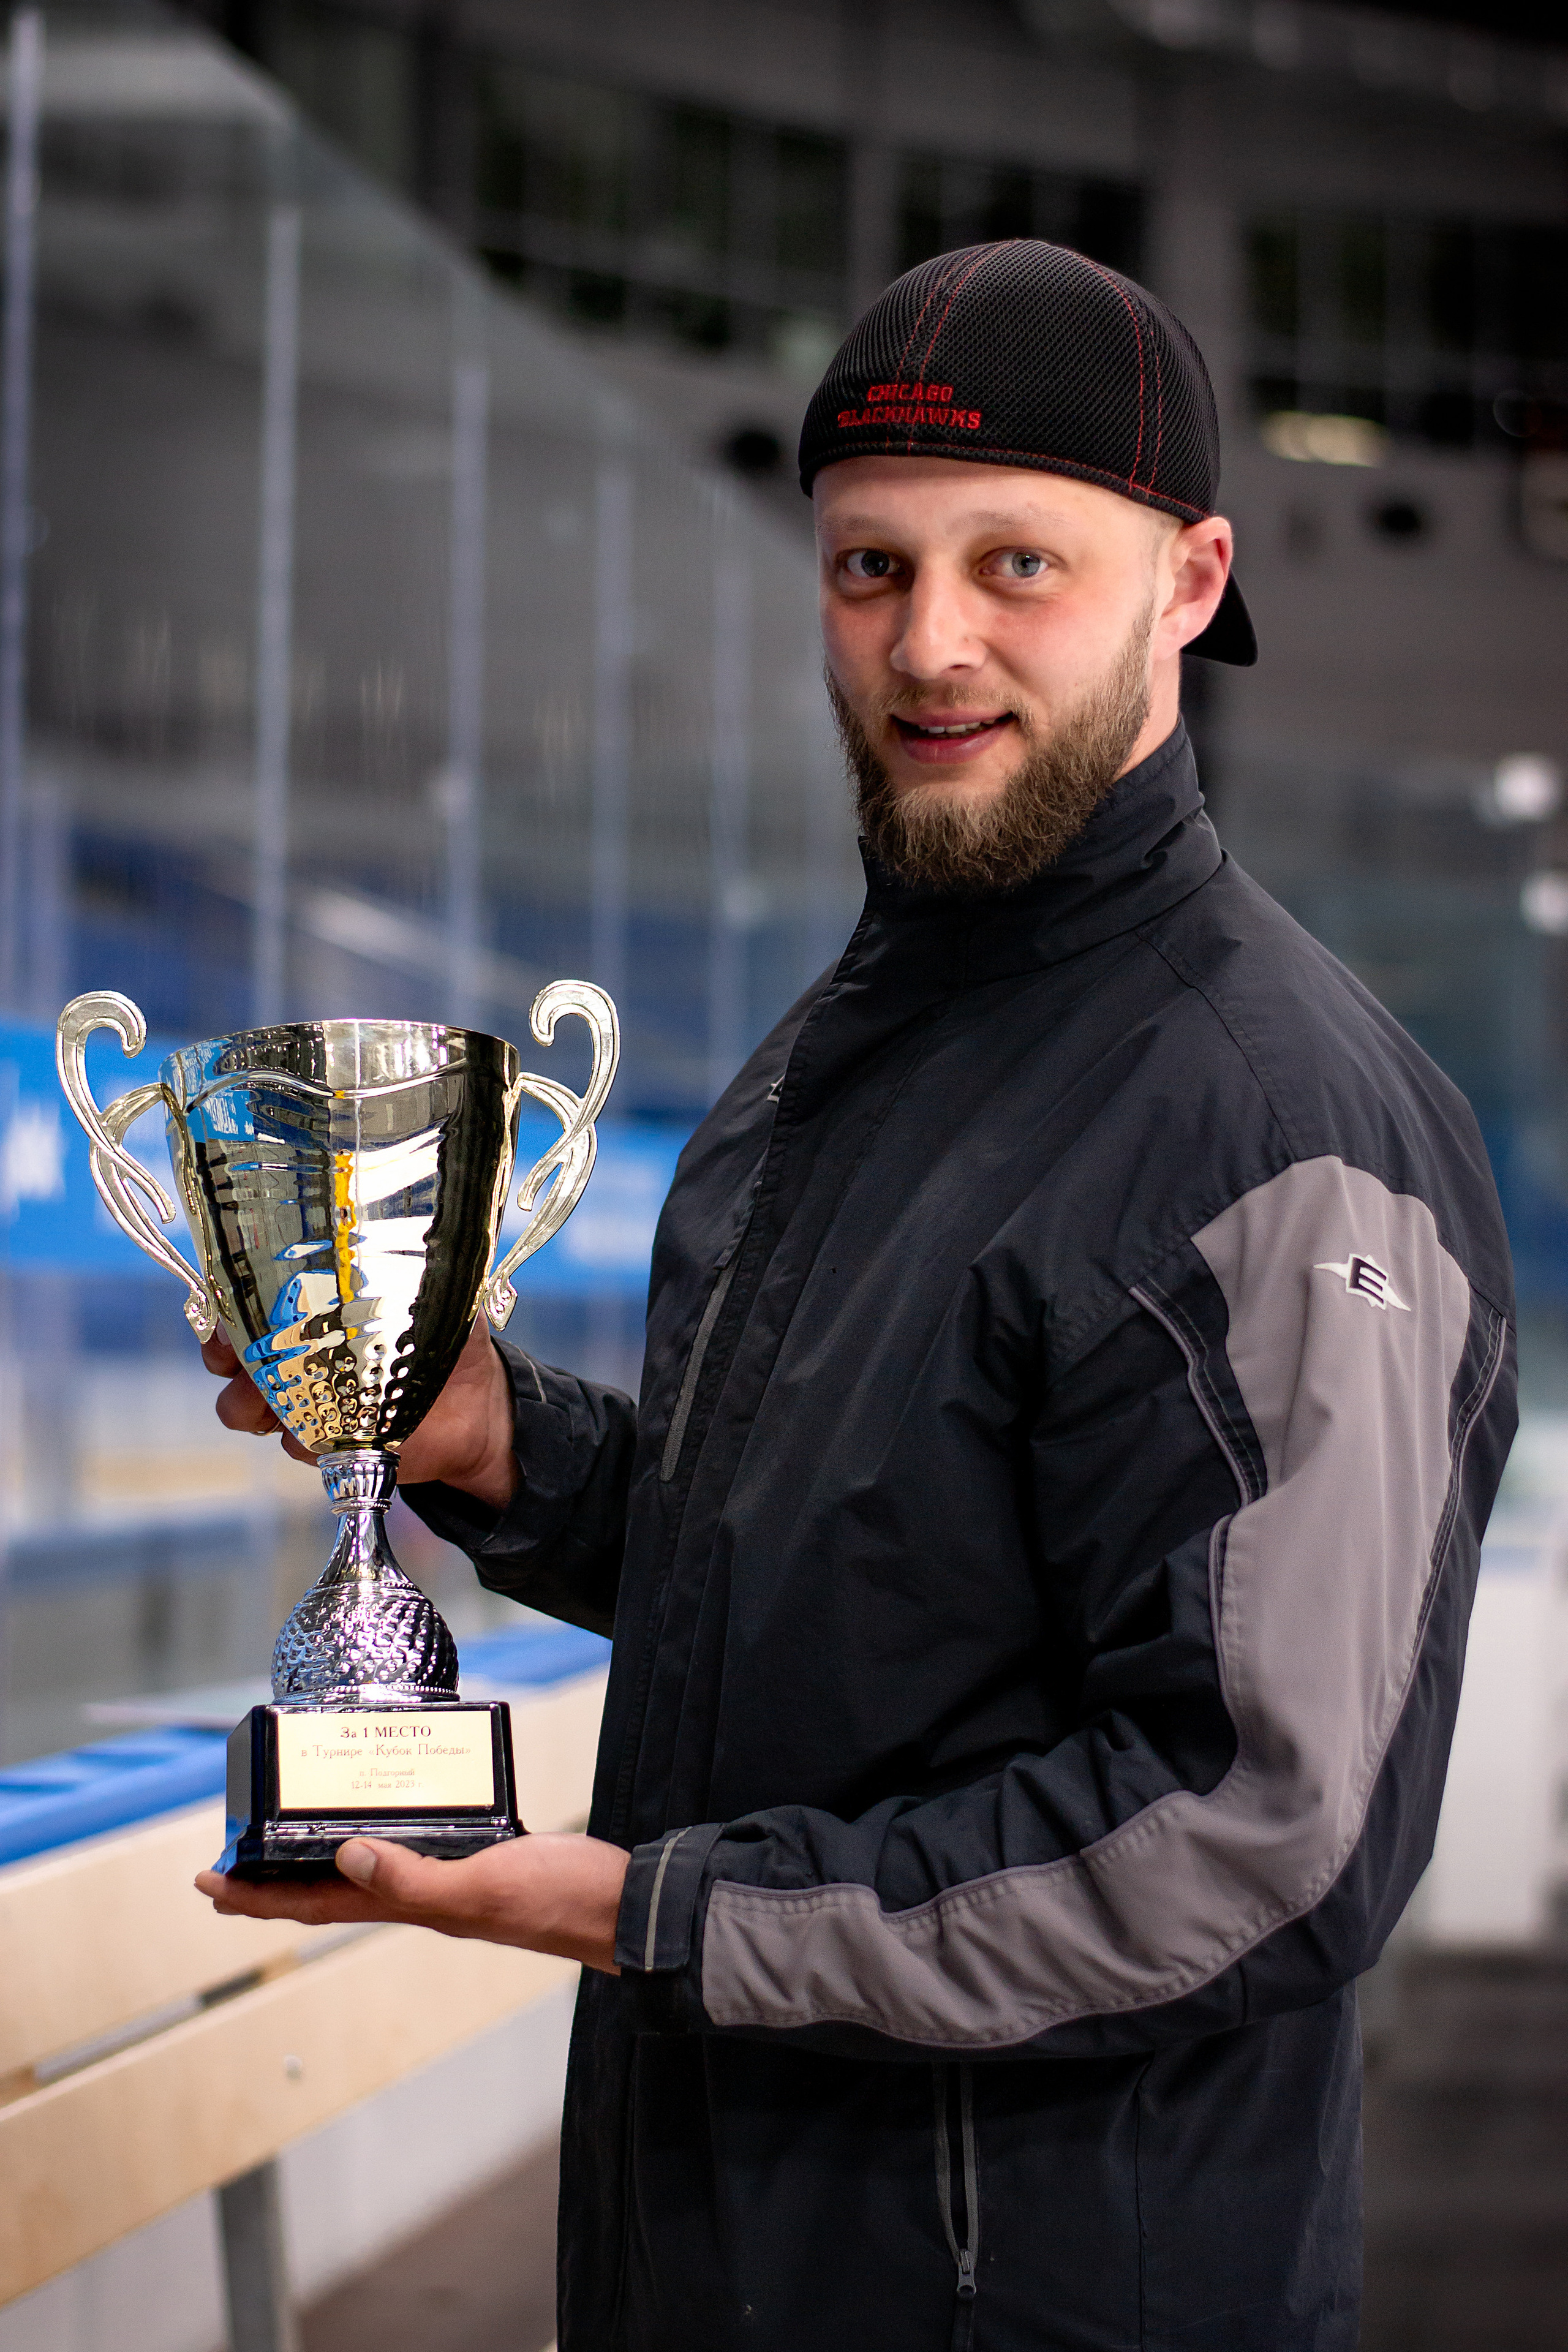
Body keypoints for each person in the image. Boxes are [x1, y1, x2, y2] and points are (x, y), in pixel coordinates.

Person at [198, 241, 1517, 2351]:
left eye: (1020, 568)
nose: (930, 646)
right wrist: (489, 1448)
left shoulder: (1279, 1127)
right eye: (868, 570)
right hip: (711, 2257)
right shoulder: (828, 1063)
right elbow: (854, 1579)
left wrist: (659, 1909)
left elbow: (1260, 1835)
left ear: (1190, 584)